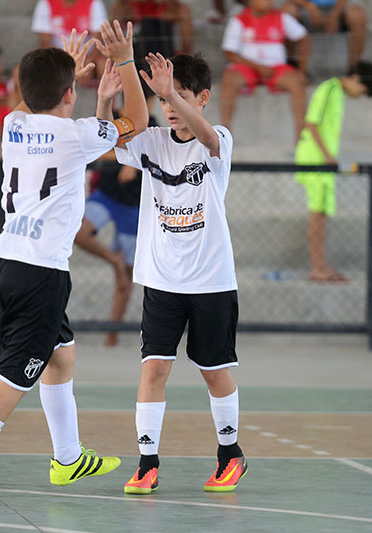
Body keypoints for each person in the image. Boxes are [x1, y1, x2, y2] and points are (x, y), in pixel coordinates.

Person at [0, 22, 149, 506]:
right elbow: (141, 122)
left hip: (7, 261)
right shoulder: (75, 134)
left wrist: (62, 69)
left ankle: (68, 459)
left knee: (61, 355)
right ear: (71, 93)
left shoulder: (13, 123)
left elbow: (33, 98)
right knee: (12, 380)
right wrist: (125, 61)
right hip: (40, 273)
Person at [109, 52, 246, 495]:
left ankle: (231, 453)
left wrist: (169, 90)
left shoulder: (217, 138)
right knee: (153, 370)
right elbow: (112, 144)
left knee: (214, 369)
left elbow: (207, 136)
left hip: (210, 281)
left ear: (202, 98)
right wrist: (104, 99)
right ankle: (147, 462)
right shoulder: (151, 141)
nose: (168, 106)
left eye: (180, 97)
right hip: (162, 280)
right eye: (163, 99)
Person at [75, 86, 157, 347]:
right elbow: (95, 150)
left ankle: (112, 333)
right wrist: (125, 160)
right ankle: (113, 259)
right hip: (107, 196)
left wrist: (134, 162)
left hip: (134, 205)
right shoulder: (112, 119)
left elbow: (156, 157)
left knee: (128, 274)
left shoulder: (153, 125)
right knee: (79, 231)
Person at [294, 62, 372, 282]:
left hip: (322, 162)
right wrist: (328, 157)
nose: (359, 96)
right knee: (317, 214)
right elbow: (311, 124)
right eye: (362, 90)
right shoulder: (329, 89)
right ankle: (317, 268)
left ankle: (321, 266)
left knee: (321, 214)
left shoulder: (337, 93)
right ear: (356, 79)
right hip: (316, 161)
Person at [219, 0, 310, 142]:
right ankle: (224, 136)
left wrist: (302, 69)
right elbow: (230, 53)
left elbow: (303, 37)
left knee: (297, 81)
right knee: (230, 79)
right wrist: (257, 67)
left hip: (276, 68)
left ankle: (301, 136)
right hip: (247, 67)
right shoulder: (239, 20)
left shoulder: (282, 17)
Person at [31, 0, 108, 83]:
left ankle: (106, 95)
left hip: (86, 55)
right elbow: (45, 44)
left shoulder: (94, 2)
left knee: (103, 65)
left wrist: (88, 60)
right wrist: (65, 63)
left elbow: (97, 42)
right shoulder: (45, 3)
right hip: (57, 55)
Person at [282, 0, 367, 68]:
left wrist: (335, 14)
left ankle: (354, 69)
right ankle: (294, 67)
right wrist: (308, 6)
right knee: (287, 13)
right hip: (304, 6)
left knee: (357, 16)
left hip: (337, 7)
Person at [111, 0, 194, 59]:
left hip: (166, 54)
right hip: (135, 55)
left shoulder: (175, 8)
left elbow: (187, 43)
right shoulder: (124, 7)